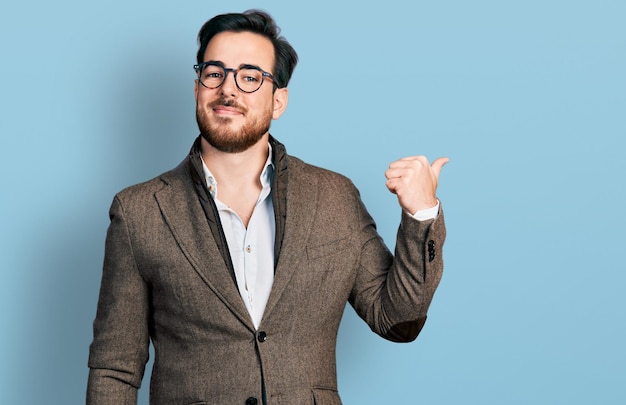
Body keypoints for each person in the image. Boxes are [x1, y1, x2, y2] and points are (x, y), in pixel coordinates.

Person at [87, 9, 448, 405]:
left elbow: (397, 320)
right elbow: (115, 369)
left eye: (250, 76)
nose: (228, 89)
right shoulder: (139, 212)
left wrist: (420, 216)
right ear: (197, 87)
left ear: (278, 101)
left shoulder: (334, 197)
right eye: (214, 73)